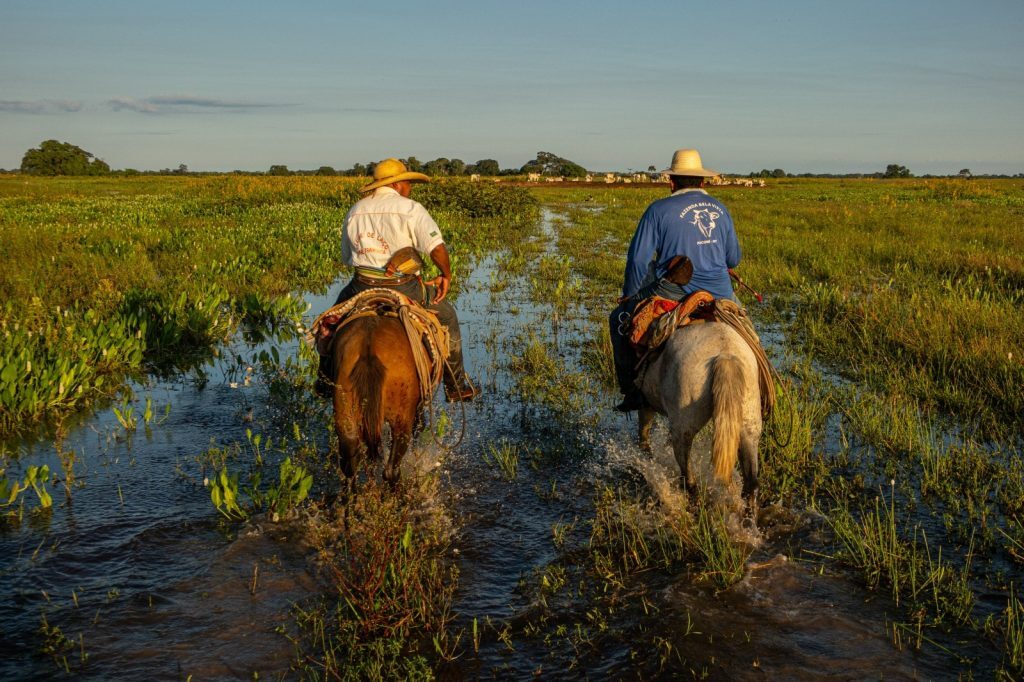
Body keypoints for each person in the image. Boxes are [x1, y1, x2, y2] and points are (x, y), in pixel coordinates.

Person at [316, 158, 479, 402]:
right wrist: (446, 274)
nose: (409, 188)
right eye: (408, 183)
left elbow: (348, 256)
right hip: (405, 287)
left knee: (330, 321)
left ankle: (324, 381)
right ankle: (455, 386)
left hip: (361, 285)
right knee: (447, 316)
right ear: (397, 184)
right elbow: (437, 249)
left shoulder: (356, 210)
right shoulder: (411, 209)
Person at [609, 148, 742, 412]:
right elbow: (733, 259)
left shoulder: (658, 210)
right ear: (703, 181)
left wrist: (629, 296)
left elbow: (638, 261)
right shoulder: (720, 208)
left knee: (618, 320)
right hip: (721, 293)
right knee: (748, 333)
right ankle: (762, 390)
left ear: (671, 182)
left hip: (675, 292)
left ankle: (632, 390)